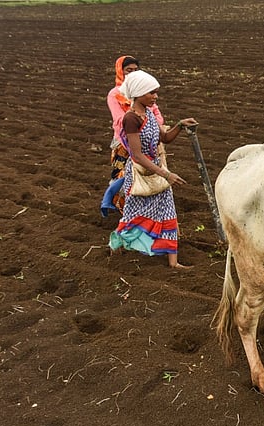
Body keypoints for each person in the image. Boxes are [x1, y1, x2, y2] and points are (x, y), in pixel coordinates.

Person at [109, 70, 197, 269]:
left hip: (156, 172)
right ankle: (116, 247)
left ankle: (173, 262)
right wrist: (166, 174)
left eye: (155, 93)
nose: (155, 97)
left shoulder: (148, 113)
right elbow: (137, 155)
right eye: (151, 93)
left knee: (168, 212)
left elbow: (164, 138)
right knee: (132, 216)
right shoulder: (131, 118)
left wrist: (180, 125)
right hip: (141, 175)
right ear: (139, 93)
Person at [101, 55, 165, 217]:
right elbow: (118, 120)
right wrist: (137, 122)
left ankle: (147, 212)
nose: (132, 73)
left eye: (136, 70)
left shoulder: (144, 92)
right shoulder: (115, 94)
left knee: (148, 174)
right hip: (124, 141)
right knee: (123, 175)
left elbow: (157, 115)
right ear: (120, 71)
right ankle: (125, 211)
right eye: (128, 70)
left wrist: (149, 126)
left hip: (148, 138)